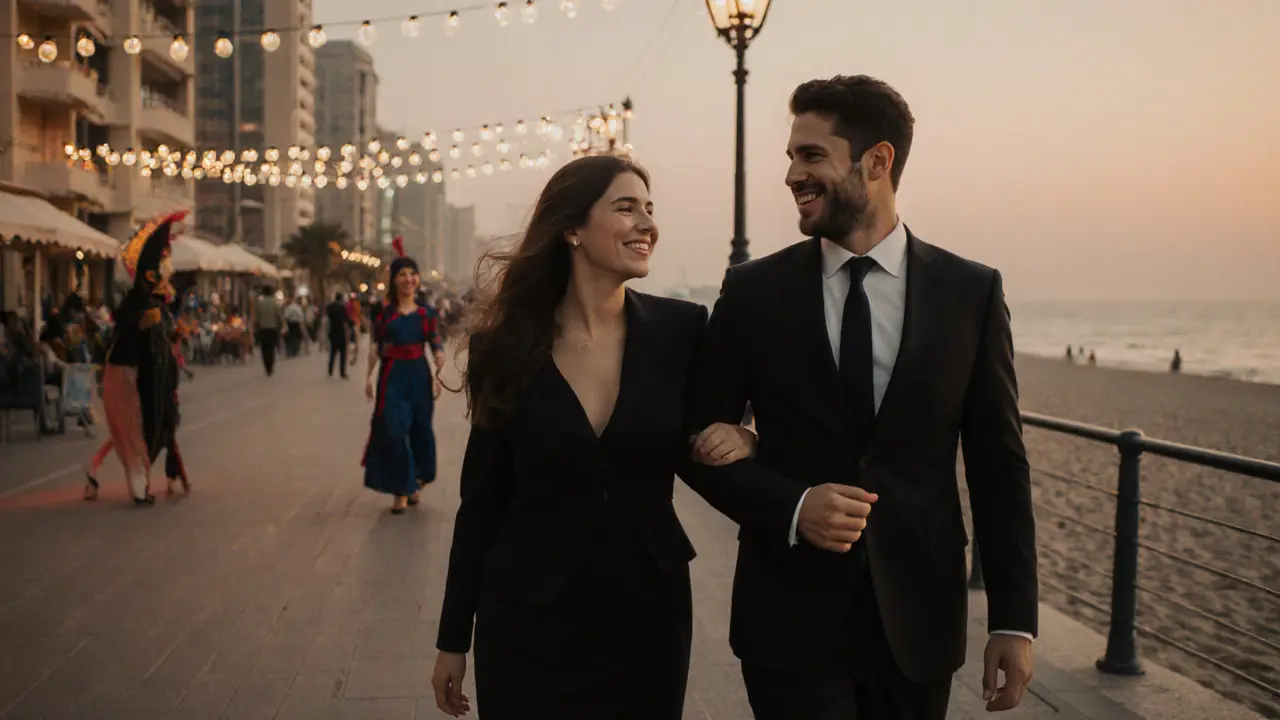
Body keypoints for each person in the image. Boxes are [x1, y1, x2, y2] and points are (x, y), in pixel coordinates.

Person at [683, 76, 1039, 719]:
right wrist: (792, 506)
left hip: (920, 621)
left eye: (812, 156)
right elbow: (695, 439)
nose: (792, 174)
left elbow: (999, 465)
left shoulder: (970, 293)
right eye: (790, 157)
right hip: (788, 620)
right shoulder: (753, 292)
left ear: (878, 161)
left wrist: (1014, 621)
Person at [429, 155, 757, 719]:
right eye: (625, 208)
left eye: (650, 210)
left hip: (646, 615)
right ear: (573, 229)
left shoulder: (681, 330)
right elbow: (482, 502)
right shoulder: (504, 348)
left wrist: (748, 436)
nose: (646, 223)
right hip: (528, 620)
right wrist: (453, 638)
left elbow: (716, 427)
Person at [94, 211, 190, 506]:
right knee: (135, 431)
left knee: (154, 426)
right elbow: (126, 329)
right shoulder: (137, 304)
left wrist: (173, 337)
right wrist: (142, 324)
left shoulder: (156, 306)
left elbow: (159, 339)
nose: (167, 268)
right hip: (128, 374)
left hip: (151, 377)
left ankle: (114, 475)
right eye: (163, 261)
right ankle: (138, 488)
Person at [362, 238, 446, 514]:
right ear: (394, 280)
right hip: (391, 378)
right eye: (403, 274)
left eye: (412, 274)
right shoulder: (385, 317)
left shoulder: (427, 314)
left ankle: (417, 480)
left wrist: (439, 369)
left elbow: (435, 343)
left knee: (420, 429)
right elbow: (376, 349)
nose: (409, 279)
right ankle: (401, 489)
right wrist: (367, 378)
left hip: (419, 377)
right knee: (393, 430)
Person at [252, 286, 283, 375]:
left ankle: (267, 366)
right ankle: (271, 365)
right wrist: (282, 323)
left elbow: (257, 317)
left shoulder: (259, 304)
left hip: (263, 328)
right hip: (272, 328)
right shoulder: (274, 303)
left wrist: (256, 327)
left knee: (264, 348)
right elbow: (278, 315)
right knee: (271, 347)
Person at [326, 292, 352, 378]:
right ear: (341, 298)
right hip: (341, 332)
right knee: (342, 354)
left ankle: (330, 370)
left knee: (333, 353)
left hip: (332, 331)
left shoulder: (329, 307)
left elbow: (328, 318)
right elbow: (346, 320)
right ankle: (342, 372)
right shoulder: (342, 307)